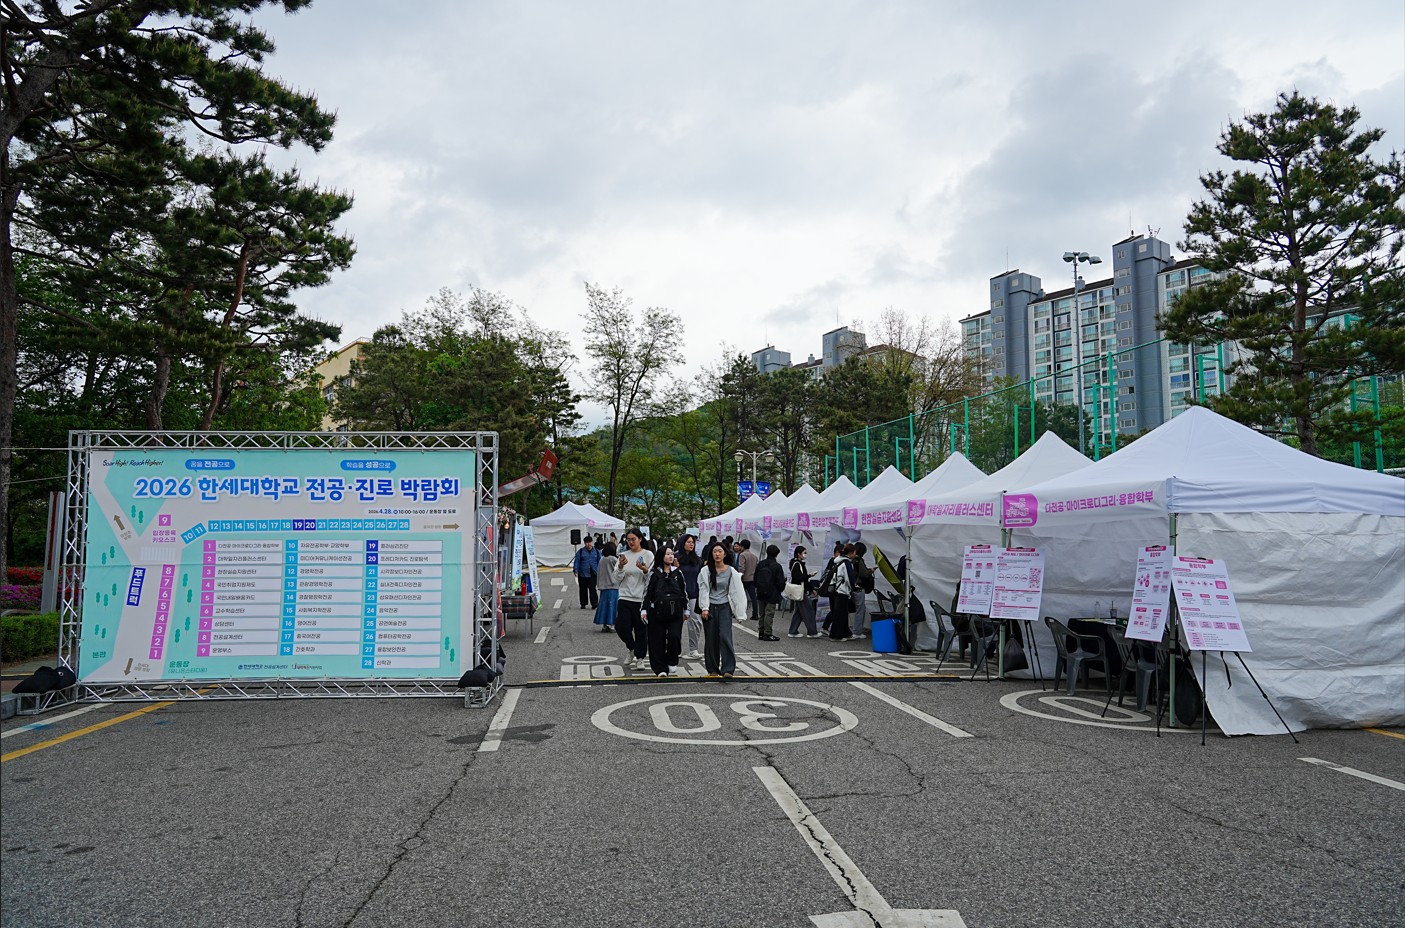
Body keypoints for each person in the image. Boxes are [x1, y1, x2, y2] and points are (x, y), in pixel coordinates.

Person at [699, 542, 746, 678]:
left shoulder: (731, 571)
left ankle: (728, 669)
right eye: (715, 551)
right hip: (710, 607)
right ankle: (713, 669)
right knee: (711, 638)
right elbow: (703, 589)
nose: (717, 554)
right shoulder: (705, 570)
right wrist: (704, 608)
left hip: (725, 606)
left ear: (725, 554)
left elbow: (737, 592)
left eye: (720, 551)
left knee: (725, 636)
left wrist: (740, 612)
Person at [644, 546, 688, 676]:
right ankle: (660, 668)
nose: (670, 556)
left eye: (672, 554)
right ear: (661, 556)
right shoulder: (653, 574)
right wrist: (644, 609)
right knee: (657, 639)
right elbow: (647, 592)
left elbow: (683, 592)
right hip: (656, 611)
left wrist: (686, 609)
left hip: (676, 611)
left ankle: (672, 660)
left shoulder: (678, 573)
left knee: (674, 636)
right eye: (667, 554)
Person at [614, 528, 654, 671]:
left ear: (640, 539)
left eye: (633, 539)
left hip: (641, 598)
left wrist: (645, 570)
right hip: (624, 596)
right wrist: (620, 566)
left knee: (641, 630)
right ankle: (632, 648)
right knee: (621, 627)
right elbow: (616, 577)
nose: (631, 542)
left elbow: (652, 578)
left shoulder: (648, 555)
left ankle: (640, 658)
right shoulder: (623, 555)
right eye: (628, 540)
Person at [675, 534, 705, 660]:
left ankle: (693, 649)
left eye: (692, 542)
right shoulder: (675, 558)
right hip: (677, 595)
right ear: (682, 543)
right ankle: (676, 650)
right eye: (688, 542)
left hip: (693, 594)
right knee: (676, 623)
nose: (691, 544)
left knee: (696, 622)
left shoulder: (698, 560)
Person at [753, 544, 785, 641]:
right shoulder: (777, 566)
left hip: (760, 592)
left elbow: (755, 577)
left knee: (762, 613)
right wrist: (780, 590)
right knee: (769, 613)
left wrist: (758, 587)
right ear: (777, 554)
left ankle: (761, 632)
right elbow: (780, 582)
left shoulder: (761, 564)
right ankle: (768, 633)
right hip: (772, 593)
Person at [826, 543, 858, 641]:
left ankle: (846, 633)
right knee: (840, 615)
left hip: (836, 589)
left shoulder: (838, 561)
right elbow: (849, 578)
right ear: (851, 552)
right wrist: (854, 588)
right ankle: (835, 636)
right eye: (854, 552)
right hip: (842, 590)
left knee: (842, 613)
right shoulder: (847, 563)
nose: (855, 554)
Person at [787, 546, 820, 638]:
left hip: (800, 590)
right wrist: (809, 575)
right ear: (799, 554)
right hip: (800, 591)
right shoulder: (797, 564)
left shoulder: (796, 563)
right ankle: (812, 632)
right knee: (809, 611)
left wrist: (811, 589)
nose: (805, 555)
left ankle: (793, 631)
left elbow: (802, 580)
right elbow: (799, 578)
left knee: (798, 612)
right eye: (804, 553)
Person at [850, 542, 875, 639]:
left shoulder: (850, 560)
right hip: (859, 587)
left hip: (851, 586)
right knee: (860, 609)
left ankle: (855, 630)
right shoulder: (859, 560)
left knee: (858, 608)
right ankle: (857, 632)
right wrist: (870, 571)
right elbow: (864, 574)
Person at [594, 542, 619, 632]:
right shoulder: (613, 559)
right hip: (613, 585)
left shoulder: (602, 559)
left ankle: (605, 625)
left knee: (604, 605)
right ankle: (612, 624)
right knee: (613, 606)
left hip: (603, 586)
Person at [571, 536, 600, 609]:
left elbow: (600, 561)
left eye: (589, 542)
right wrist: (575, 570)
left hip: (593, 573)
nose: (588, 544)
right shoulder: (580, 551)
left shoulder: (596, 551)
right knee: (583, 589)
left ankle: (594, 603)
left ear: (592, 542)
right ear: (584, 543)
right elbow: (577, 561)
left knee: (592, 588)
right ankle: (583, 603)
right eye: (587, 542)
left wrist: (601, 571)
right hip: (583, 573)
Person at [736, 539, 759, 620]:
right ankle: (755, 613)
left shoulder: (742, 555)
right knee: (753, 598)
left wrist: (739, 576)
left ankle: (740, 613)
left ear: (742, 546)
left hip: (744, 578)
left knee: (741, 597)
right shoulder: (754, 556)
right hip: (752, 579)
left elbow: (741, 567)